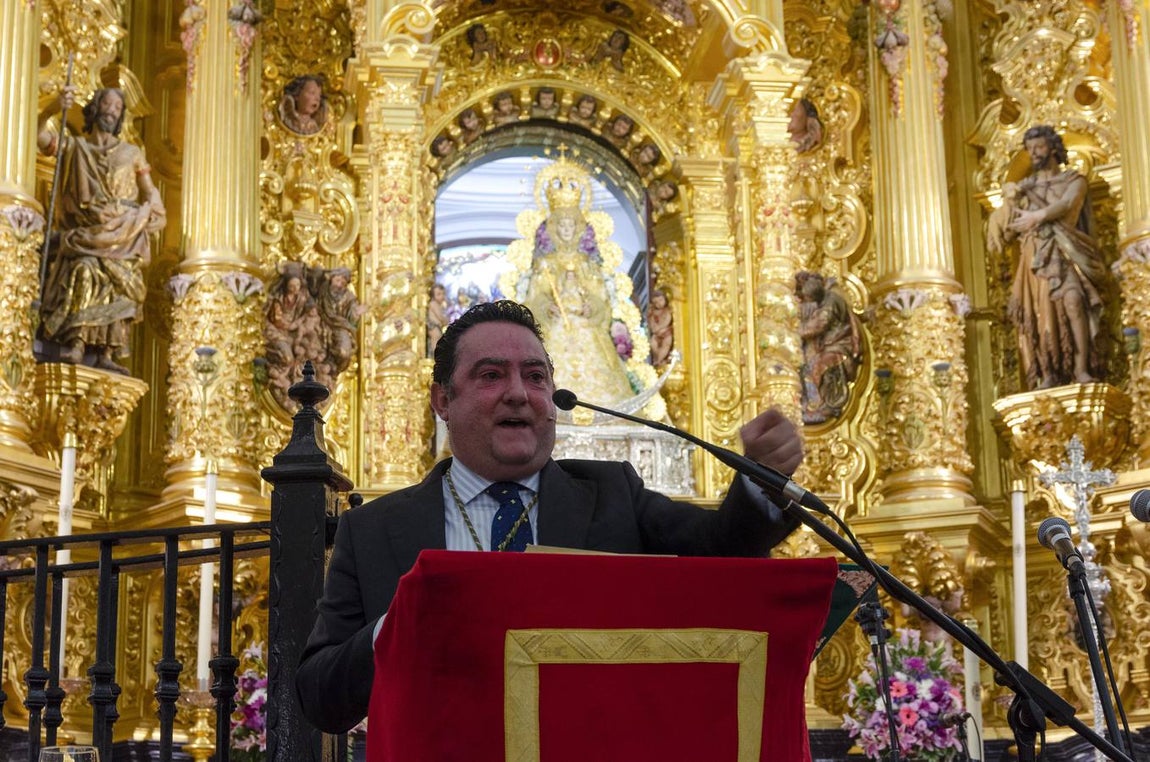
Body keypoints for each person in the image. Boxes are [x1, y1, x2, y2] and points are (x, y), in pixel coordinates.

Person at [296, 300, 806, 733]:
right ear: (442, 400)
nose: (519, 393)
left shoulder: (613, 496)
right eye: (491, 375)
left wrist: (760, 483)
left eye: (535, 377)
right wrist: (395, 627)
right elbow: (320, 697)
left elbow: (720, 550)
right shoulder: (375, 530)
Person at [37, 86, 167, 374]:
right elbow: (39, 136)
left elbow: (149, 192)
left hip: (124, 232)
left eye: (117, 108)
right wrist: (52, 108)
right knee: (84, 269)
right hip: (87, 234)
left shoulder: (133, 153)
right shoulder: (74, 148)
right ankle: (78, 342)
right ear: (95, 108)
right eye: (106, 104)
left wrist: (152, 208)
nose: (111, 110)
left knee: (126, 281)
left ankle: (107, 352)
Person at [986, 125, 1108, 389]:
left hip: (1067, 253)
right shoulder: (1024, 189)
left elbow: (1066, 205)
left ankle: (1081, 369)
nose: (1034, 154)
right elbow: (1006, 228)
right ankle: (1049, 373)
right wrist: (1007, 202)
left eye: (1039, 147)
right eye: (1029, 149)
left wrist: (1037, 216)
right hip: (1035, 259)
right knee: (1041, 314)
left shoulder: (1074, 180)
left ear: (1053, 147)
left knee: (1074, 302)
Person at [794, 272, 861, 424]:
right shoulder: (827, 298)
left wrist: (794, 332)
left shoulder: (831, 300)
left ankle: (825, 405)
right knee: (806, 364)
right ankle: (814, 404)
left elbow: (820, 323)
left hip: (840, 347)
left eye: (809, 299)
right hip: (830, 344)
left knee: (816, 365)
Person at [647, 288, 674, 366]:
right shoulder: (653, 312)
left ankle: (659, 360)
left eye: (660, 300)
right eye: (656, 302)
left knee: (666, 344)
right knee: (652, 343)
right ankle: (658, 358)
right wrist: (655, 329)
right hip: (657, 333)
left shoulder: (667, 311)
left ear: (665, 299)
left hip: (666, 332)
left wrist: (660, 328)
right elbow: (652, 324)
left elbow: (666, 321)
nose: (659, 303)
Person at [427, 282, 450, 355]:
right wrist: (446, 321)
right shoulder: (433, 303)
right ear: (433, 296)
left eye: (443, 294)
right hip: (434, 327)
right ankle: (435, 356)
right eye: (439, 294)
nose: (442, 296)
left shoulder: (439, 305)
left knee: (438, 340)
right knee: (435, 340)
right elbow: (440, 316)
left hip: (438, 327)